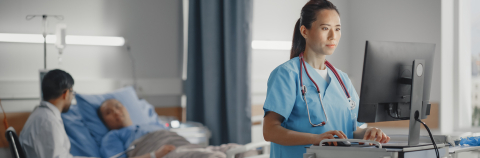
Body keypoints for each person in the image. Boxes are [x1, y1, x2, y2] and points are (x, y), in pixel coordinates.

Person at [262, 0, 391, 157]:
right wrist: (316, 139)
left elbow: (354, 129)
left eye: (337, 29)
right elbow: (269, 131)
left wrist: (368, 132)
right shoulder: (287, 74)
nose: (333, 36)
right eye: (325, 28)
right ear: (304, 31)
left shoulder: (342, 80)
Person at [98, 99, 256, 158]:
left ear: (126, 108)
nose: (116, 112)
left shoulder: (154, 123)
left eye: (118, 107)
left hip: (185, 145)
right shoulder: (112, 137)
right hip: (165, 153)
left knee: (239, 149)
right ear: (104, 120)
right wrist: (154, 155)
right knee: (212, 157)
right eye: (108, 112)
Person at [19, 69, 77, 158]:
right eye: (72, 92)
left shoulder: (41, 114)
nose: (72, 97)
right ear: (65, 93)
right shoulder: (48, 122)